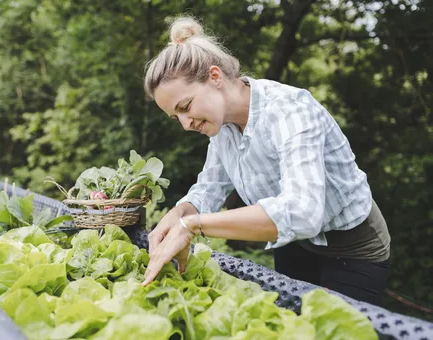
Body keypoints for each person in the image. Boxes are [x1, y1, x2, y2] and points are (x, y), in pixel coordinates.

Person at [141, 16, 391, 306]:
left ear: (215, 77)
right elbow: (208, 190)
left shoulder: (288, 110)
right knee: (289, 325)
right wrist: (178, 214)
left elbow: (302, 213)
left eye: (186, 107)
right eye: (176, 117)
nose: (185, 124)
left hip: (352, 246)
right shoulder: (220, 127)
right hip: (293, 241)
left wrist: (192, 226)